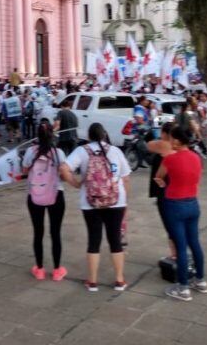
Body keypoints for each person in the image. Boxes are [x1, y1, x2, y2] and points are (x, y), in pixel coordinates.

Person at [60, 123, 131, 292]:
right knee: (115, 240)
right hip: (116, 201)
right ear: (105, 134)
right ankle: (119, 280)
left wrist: (76, 184)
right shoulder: (115, 151)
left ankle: (92, 281)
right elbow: (126, 178)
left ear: (89, 136)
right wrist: (124, 201)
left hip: (90, 201)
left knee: (94, 240)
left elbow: (63, 168)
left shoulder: (82, 151)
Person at [154, 126, 207, 301]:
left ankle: (183, 287)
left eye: (171, 139)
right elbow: (197, 178)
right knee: (195, 242)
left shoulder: (170, 159)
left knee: (181, 246)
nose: (169, 142)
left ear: (177, 141)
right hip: (193, 203)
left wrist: (164, 185)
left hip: (175, 204)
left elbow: (159, 177)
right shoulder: (197, 157)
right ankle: (200, 280)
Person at [22, 121, 67, 282]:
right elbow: (63, 175)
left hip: (34, 195)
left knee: (38, 232)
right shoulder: (58, 153)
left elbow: (25, 171)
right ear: (52, 134)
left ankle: (39, 269)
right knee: (55, 233)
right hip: (56, 195)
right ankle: (57, 270)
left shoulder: (30, 151)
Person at [148, 122, 176, 259]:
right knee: (175, 224)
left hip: (164, 191)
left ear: (164, 133)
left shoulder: (163, 145)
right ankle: (176, 253)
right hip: (178, 190)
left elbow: (149, 145)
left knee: (170, 225)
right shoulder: (179, 147)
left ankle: (175, 254)